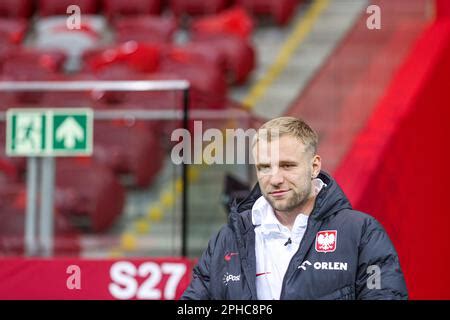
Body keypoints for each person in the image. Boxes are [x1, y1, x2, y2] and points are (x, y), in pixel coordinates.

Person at [181, 116, 407, 300]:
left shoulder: (360, 232)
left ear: (314, 166)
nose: (275, 178)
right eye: (264, 167)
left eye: (287, 166)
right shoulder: (228, 238)